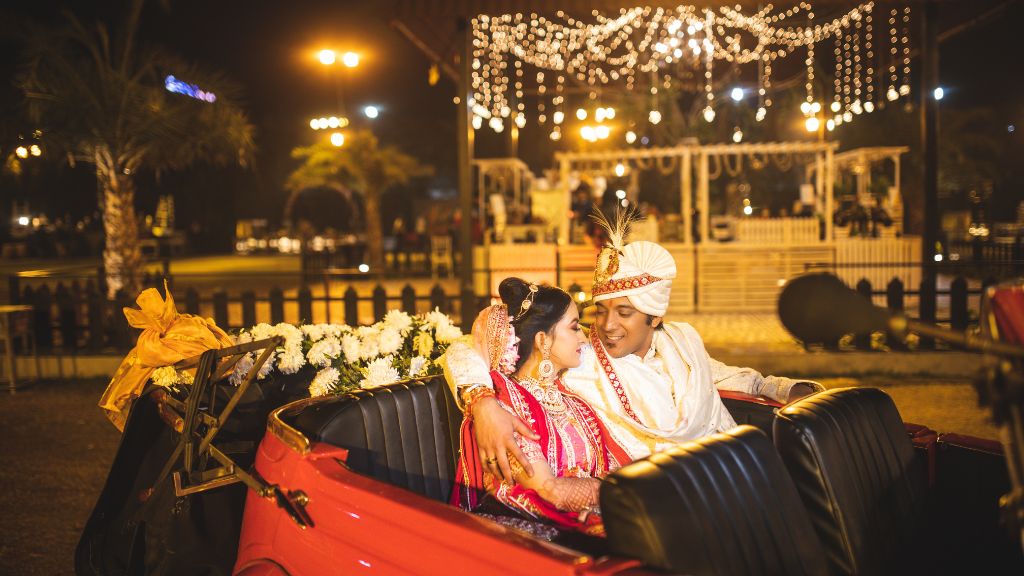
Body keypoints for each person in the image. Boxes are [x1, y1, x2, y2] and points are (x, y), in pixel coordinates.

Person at [442, 209, 821, 481]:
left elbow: (728, 377)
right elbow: (465, 347)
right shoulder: (579, 356)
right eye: (601, 310)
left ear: (654, 318)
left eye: (625, 313)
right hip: (658, 496)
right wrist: (483, 402)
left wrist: (782, 388)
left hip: (723, 471)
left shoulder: (680, 342)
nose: (607, 326)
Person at [451, 278, 629, 536]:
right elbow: (548, 490)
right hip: (526, 532)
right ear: (543, 340)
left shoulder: (572, 400)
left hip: (583, 516)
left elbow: (610, 468)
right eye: (575, 327)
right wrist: (624, 492)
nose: (584, 335)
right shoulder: (506, 401)